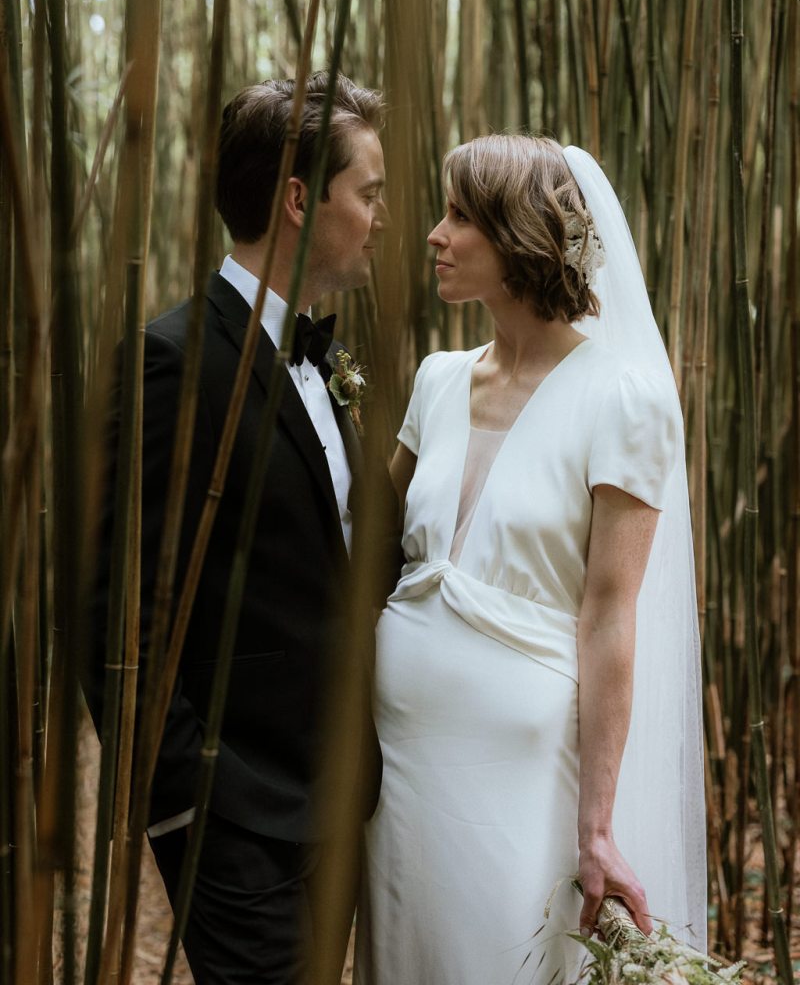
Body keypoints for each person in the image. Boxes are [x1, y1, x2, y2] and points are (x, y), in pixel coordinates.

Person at [354, 136, 705, 984]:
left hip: (519, 769)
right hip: (397, 766)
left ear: (519, 236)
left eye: (460, 217)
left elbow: (609, 614)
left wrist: (597, 827)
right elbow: (368, 552)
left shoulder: (623, 395)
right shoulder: (437, 381)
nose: (435, 235)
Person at [85, 71, 388, 984]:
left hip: (338, 797)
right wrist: (188, 801)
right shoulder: (172, 362)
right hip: (236, 813)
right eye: (368, 192)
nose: (381, 215)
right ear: (300, 199)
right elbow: (108, 604)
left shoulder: (325, 357)